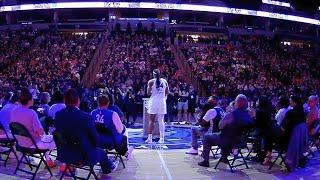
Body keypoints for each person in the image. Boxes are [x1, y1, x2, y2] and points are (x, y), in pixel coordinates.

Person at [54, 89, 118, 174]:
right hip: (83, 156)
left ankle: (109, 165)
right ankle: (108, 169)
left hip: (64, 154)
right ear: (78, 101)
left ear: (64, 101)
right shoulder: (85, 117)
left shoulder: (58, 115)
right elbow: (96, 140)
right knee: (102, 153)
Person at [198, 94, 253, 167]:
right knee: (226, 135)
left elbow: (220, 126)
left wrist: (228, 113)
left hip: (229, 141)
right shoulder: (248, 114)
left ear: (237, 103)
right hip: (241, 141)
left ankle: (205, 161)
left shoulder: (232, 114)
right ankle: (224, 157)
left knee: (206, 137)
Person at [10, 88, 56, 167]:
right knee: (55, 138)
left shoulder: (14, 110)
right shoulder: (31, 113)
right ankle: (49, 159)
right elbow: (40, 132)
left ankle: (48, 159)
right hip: (33, 144)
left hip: (20, 142)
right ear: (30, 100)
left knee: (47, 138)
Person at [91, 95, 133, 160]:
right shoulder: (113, 114)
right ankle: (126, 153)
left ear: (98, 103)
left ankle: (125, 153)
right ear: (108, 103)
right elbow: (120, 130)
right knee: (123, 130)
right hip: (111, 142)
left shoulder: (93, 113)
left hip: (97, 140)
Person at [145, 69, 169, 144]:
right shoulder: (165, 81)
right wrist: (163, 97)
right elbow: (167, 92)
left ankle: (150, 139)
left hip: (154, 101)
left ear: (153, 74)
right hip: (162, 102)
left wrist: (153, 91)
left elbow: (148, 93)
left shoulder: (151, 82)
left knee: (151, 120)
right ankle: (162, 138)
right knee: (161, 121)